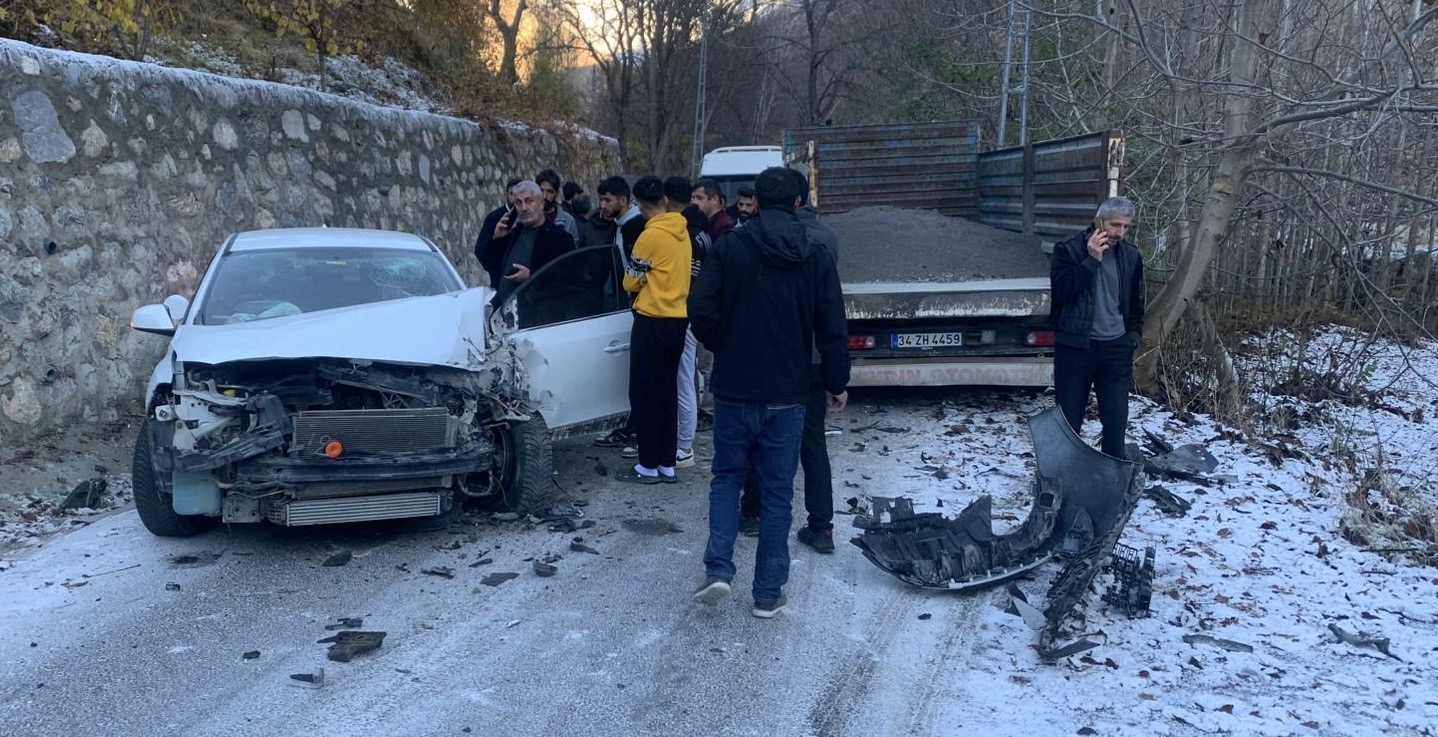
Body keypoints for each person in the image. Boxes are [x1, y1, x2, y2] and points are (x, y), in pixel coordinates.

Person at [688, 166, 849, 618]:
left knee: (727, 478)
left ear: (754, 201)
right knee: (778, 492)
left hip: (736, 386)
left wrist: (724, 342)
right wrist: (837, 381)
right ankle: (766, 593)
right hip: (789, 389)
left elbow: (700, 307)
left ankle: (718, 569)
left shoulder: (729, 247)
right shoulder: (814, 253)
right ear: (798, 202)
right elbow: (831, 323)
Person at [736, 169, 843, 552]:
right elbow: (832, 313)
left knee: (757, 436)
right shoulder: (825, 239)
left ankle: (754, 511)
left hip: (768, 356)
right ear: (800, 200)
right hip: (811, 361)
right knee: (813, 443)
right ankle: (822, 526)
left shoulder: (750, 238)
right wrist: (837, 378)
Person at [1049, 195, 1145, 458]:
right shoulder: (1068, 249)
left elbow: (1135, 300)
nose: (1120, 233)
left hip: (1115, 348)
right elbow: (1061, 294)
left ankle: (1111, 476)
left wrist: (1133, 335)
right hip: (1076, 347)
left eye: (1126, 227)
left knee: (1116, 421)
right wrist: (1091, 260)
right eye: (1115, 225)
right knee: (1069, 421)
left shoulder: (1130, 255)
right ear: (1099, 220)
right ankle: (1064, 475)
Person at [616, 176, 692, 484]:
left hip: (651, 319)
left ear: (639, 204)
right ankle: (667, 463)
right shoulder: (682, 232)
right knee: (667, 392)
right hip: (678, 319)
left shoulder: (649, 237)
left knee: (644, 393)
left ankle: (646, 465)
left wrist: (643, 279)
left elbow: (630, 280)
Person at [666, 176, 713, 470]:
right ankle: (684, 439)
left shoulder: (686, 234)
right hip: (694, 312)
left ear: (668, 201)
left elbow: (688, 279)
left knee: (683, 379)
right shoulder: (702, 231)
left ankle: (684, 446)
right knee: (689, 377)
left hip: (683, 313)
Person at [475, 180, 576, 305]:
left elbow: (570, 279)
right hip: (504, 312)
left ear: (541, 203)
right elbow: (488, 264)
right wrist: (496, 239)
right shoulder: (513, 232)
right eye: (518, 203)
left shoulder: (560, 238)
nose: (523, 208)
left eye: (529, 201)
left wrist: (531, 276)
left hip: (540, 315)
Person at [473, 177, 524, 269]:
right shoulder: (493, 218)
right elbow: (480, 250)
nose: (516, 197)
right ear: (506, 194)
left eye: (519, 194)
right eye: (512, 193)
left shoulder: (528, 217)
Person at [535, 168, 580, 241]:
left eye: (549, 191)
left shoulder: (568, 221)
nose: (544, 196)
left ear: (556, 193)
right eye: (541, 190)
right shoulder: (527, 218)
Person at [691, 178, 735, 243]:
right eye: (693, 198)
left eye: (700, 198)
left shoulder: (724, 226)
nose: (694, 202)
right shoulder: (710, 222)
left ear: (715, 199)